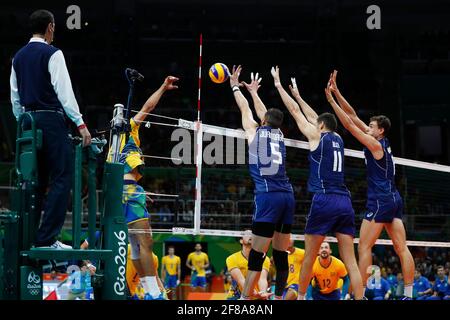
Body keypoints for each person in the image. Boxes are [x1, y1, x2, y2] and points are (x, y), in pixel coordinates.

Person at [271, 66, 363, 300]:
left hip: (324, 199)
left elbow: (294, 112)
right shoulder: (339, 138)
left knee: (309, 257)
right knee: (351, 260)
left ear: (320, 127)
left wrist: (280, 86)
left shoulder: (316, 137)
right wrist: (300, 96)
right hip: (345, 200)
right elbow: (314, 117)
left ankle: (301, 298)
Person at [325, 70, 415, 299]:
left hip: (381, 200)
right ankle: (408, 294)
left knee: (363, 247)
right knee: (401, 248)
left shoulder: (375, 146)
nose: (368, 128)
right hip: (394, 199)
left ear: (380, 131)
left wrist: (331, 101)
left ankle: (360, 294)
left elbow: (348, 123)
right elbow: (354, 115)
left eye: (371, 127)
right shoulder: (380, 140)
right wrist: (337, 91)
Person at [10, 9, 91, 249]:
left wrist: (23, 125)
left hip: (27, 124)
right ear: (51, 27)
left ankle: (29, 237)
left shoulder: (18, 57)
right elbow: (65, 94)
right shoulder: (53, 53)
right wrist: (81, 124)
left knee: (35, 181)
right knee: (61, 178)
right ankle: (47, 240)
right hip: (51, 122)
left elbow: (14, 98)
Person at [229, 66, 295, 300]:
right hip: (287, 195)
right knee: (280, 253)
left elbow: (245, 108)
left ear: (263, 120)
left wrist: (235, 86)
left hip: (268, 197)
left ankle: (245, 299)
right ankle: (278, 297)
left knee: (257, 255)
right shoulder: (280, 135)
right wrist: (255, 93)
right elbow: (263, 113)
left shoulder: (254, 133)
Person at [114, 75, 179, 300]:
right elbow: (148, 107)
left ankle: (144, 290)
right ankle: (153, 293)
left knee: (135, 245)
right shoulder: (128, 131)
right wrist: (163, 86)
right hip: (130, 192)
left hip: (123, 192)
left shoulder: (113, 149)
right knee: (146, 242)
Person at [225, 230, 271, 300]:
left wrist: (263, 292)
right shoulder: (232, 259)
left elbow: (262, 279)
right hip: (237, 294)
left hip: (258, 295)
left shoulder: (264, 258)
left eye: (253, 234)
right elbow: (241, 280)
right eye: (247, 234)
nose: (251, 236)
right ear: (241, 240)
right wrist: (254, 293)